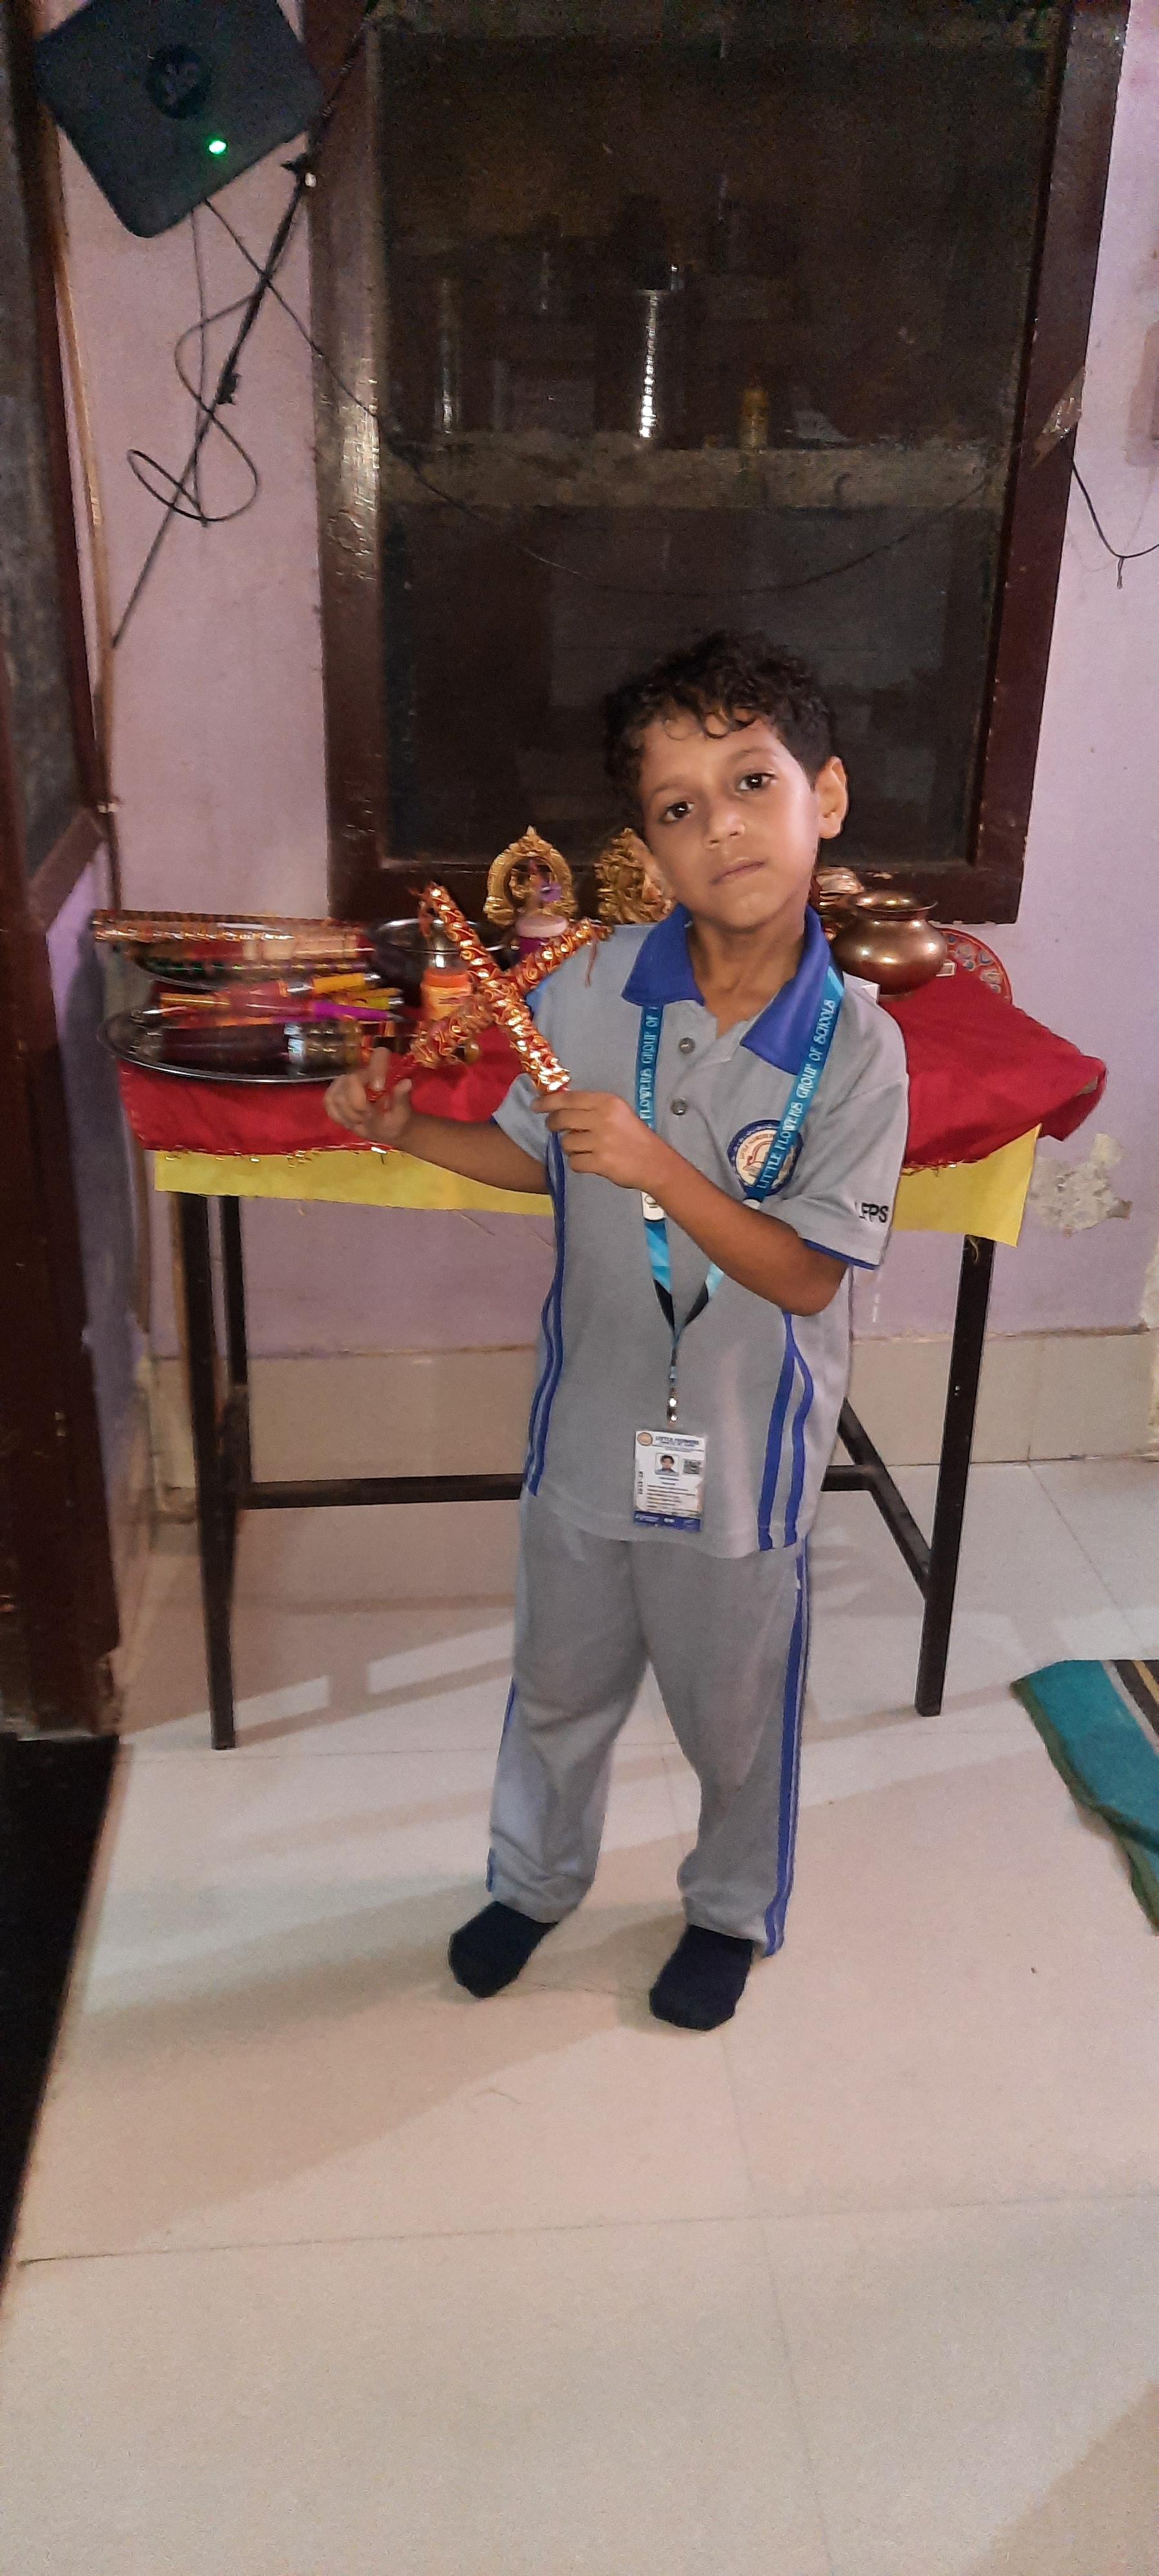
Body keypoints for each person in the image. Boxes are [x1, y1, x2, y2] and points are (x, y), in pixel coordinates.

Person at [325, 631, 909, 2031]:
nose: (723, 827)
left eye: (752, 781)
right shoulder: (587, 988)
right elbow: (537, 1158)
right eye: (677, 806)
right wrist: (407, 1129)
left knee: (733, 1708)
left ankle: (727, 1909)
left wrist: (661, 1169)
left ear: (825, 796)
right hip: (590, 1430)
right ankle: (533, 1880)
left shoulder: (861, 1047)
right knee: (558, 1682)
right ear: (648, 848)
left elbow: (808, 1278)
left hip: (744, 1457)